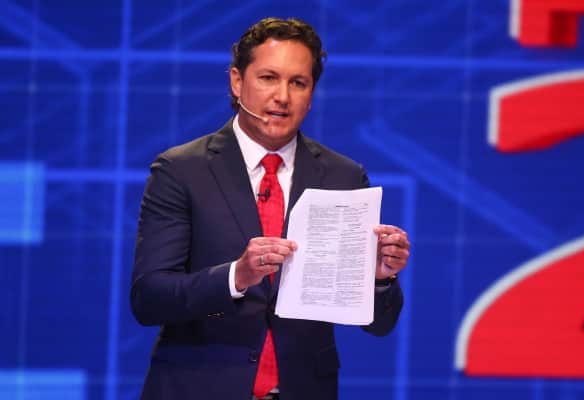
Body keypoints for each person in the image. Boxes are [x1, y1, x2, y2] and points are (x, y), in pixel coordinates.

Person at [131, 17, 410, 400]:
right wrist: (236, 276)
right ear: (237, 82)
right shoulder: (181, 170)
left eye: (298, 83)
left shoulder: (343, 176)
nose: (282, 96)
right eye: (268, 78)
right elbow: (149, 298)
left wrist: (378, 279)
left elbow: (379, 325)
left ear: (311, 93)